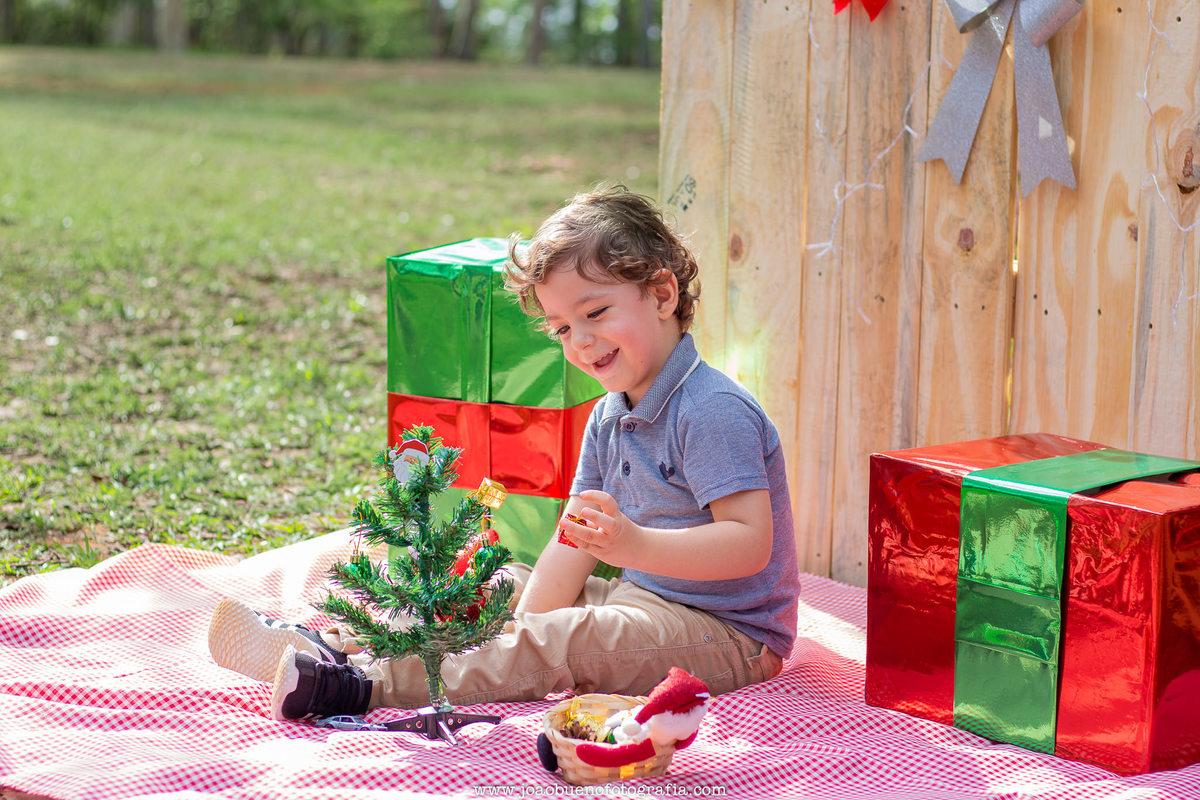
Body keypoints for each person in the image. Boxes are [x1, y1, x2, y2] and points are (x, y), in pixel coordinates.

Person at [208, 186, 800, 720]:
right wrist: (516, 623)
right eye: (562, 329)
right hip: (642, 598)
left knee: (564, 642)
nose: (582, 340)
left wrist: (627, 552)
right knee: (500, 582)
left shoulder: (710, 409)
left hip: (727, 635)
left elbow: (749, 544)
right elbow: (572, 544)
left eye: (595, 313)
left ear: (663, 293)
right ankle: (342, 639)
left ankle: (357, 683)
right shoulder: (609, 414)